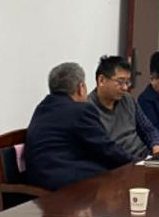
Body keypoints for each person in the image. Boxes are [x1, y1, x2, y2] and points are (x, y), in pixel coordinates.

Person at [24, 61, 134, 191]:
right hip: (63, 179)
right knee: (117, 177)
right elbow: (105, 148)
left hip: (37, 177)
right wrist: (135, 162)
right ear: (81, 88)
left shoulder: (42, 107)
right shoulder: (80, 110)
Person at [88, 55, 159, 160]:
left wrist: (157, 149)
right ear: (101, 80)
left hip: (145, 158)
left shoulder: (127, 99)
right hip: (119, 163)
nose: (125, 88)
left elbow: (148, 129)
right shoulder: (87, 109)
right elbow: (102, 152)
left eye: (127, 82)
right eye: (120, 82)